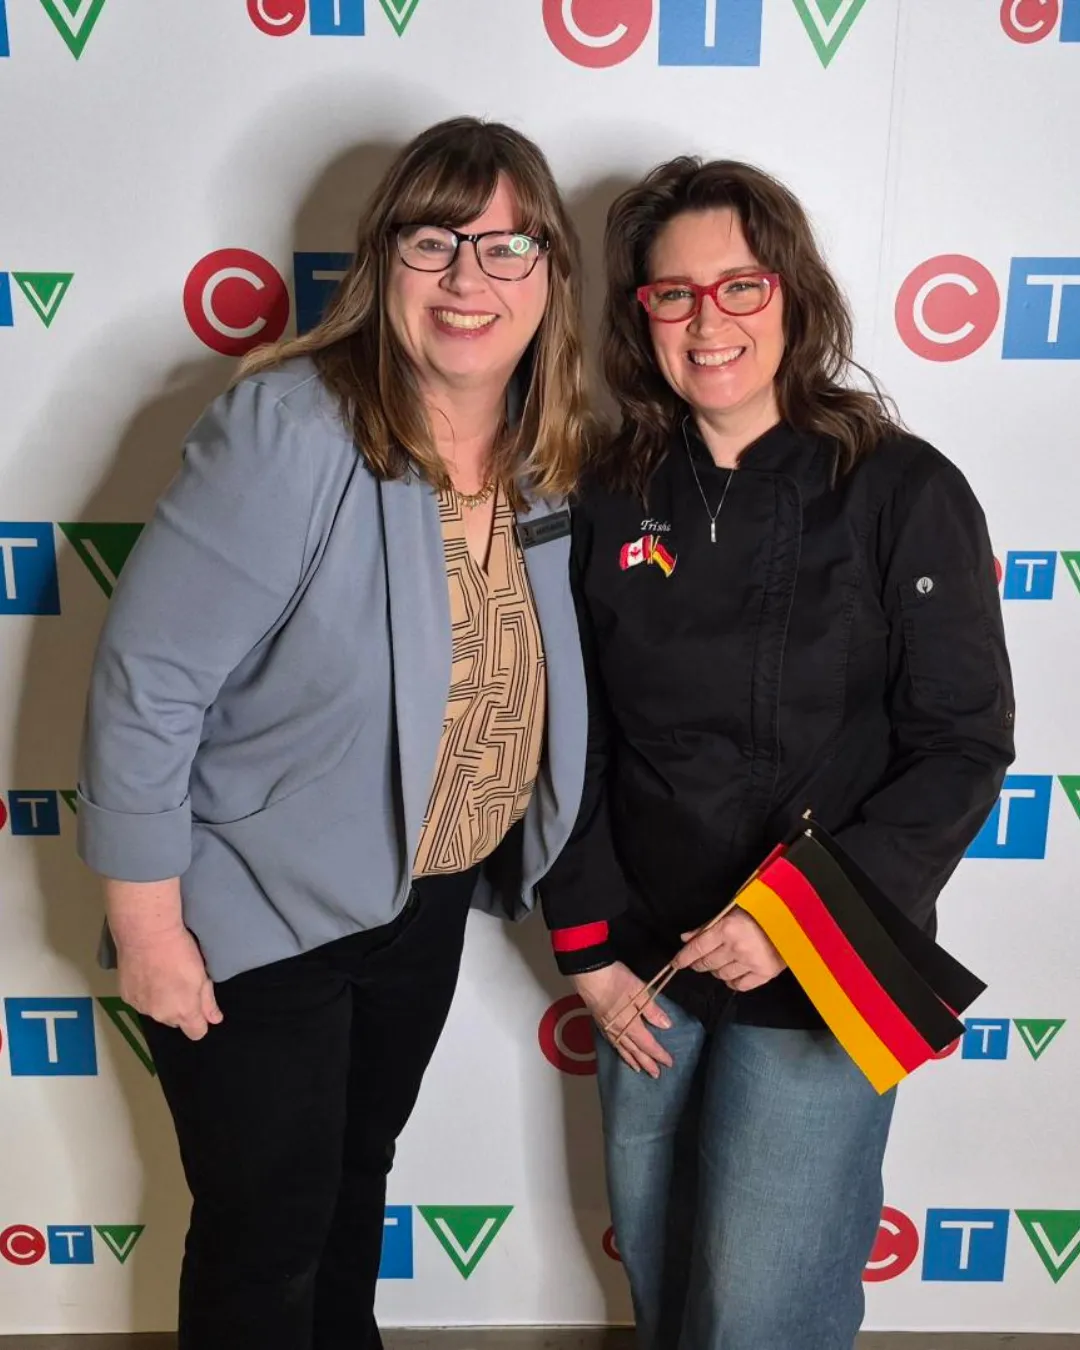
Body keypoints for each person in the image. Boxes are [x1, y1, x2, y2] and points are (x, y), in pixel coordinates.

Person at [75, 117, 590, 1350]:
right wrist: (148, 928)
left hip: (423, 894)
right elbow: (149, 681)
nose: (469, 278)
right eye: (435, 241)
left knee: (354, 1190)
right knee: (267, 1239)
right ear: (383, 259)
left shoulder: (546, 454)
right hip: (257, 915)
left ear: (551, 275)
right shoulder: (295, 428)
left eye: (507, 246)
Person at [539, 158, 1014, 1350]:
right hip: (645, 967)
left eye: (740, 286)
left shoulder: (903, 489)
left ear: (793, 293)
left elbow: (961, 742)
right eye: (674, 294)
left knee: (764, 1313)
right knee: (665, 1282)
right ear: (639, 315)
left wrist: (796, 919)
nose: (710, 323)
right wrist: (589, 948)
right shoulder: (602, 492)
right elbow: (566, 730)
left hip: (824, 959)